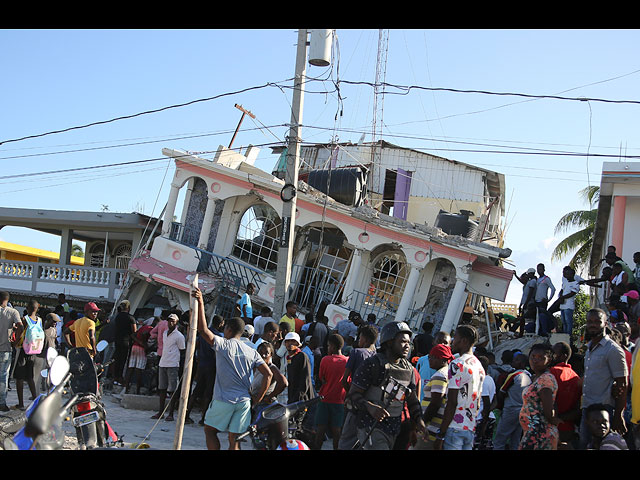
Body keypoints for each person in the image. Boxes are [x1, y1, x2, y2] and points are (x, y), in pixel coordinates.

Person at [193, 288, 272, 450]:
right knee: (234, 440)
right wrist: (257, 399)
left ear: (228, 329)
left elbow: (203, 330)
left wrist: (200, 303)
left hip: (224, 399)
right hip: (243, 402)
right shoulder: (251, 351)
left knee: (209, 431)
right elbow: (269, 374)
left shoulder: (224, 344)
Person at [347, 321, 425, 450]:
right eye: (403, 342)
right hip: (370, 426)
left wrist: (419, 421)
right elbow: (352, 395)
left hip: (395, 429)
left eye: (409, 343)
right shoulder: (372, 364)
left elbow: (412, 400)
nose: (407, 346)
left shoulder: (409, 369)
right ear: (389, 342)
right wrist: (370, 407)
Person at [579, 308, 628, 449]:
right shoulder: (589, 348)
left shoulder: (613, 349)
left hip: (604, 412)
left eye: (597, 321)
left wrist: (619, 415)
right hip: (587, 408)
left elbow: (622, 384)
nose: (592, 325)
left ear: (605, 324)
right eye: (589, 321)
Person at [434, 325, 485, 451]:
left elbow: (452, 402)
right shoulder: (479, 367)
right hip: (469, 428)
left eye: (455, 337)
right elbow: (477, 402)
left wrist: (441, 435)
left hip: (454, 428)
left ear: (464, 341)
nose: (452, 341)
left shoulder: (457, 364)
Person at [338, 324, 379, 450]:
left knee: (345, 440)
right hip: (371, 406)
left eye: (360, 337)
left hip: (354, 403)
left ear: (365, 339)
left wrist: (350, 394)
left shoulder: (356, 352)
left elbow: (344, 379)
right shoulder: (379, 357)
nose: (358, 340)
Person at [416, 343, 454, 450]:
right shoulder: (449, 373)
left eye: (432, 357)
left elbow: (435, 403)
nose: (429, 360)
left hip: (430, 429)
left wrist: (422, 422)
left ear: (442, 359)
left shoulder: (440, 375)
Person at [314, 333, 348, 450]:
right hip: (339, 401)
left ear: (332, 346)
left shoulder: (325, 360)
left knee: (320, 431)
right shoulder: (347, 361)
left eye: (328, 346)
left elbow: (322, 379)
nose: (328, 348)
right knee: (337, 432)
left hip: (325, 399)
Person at [492, 352, 531, 450]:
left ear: (522, 364)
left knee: (500, 439)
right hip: (523, 410)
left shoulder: (514, 375)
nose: (514, 361)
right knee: (516, 439)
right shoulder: (529, 376)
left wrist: (500, 406)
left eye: (517, 360)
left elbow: (502, 392)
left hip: (510, 410)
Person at [151, 313, 185, 422]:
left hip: (173, 364)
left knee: (172, 390)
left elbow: (182, 350)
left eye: (173, 321)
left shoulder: (179, 336)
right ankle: (161, 412)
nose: (170, 323)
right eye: (169, 320)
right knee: (162, 389)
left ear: (176, 323)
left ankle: (170, 413)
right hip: (163, 363)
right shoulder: (165, 333)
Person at [549, 341, 582, 448]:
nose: (551, 356)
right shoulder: (576, 377)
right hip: (568, 428)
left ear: (564, 356)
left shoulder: (552, 372)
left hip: (552, 428)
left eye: (554, 353)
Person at [13, 300, 42, 410]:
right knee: (30, 377)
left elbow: (20, 331)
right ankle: (36, 401)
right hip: (34, 350)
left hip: (24, 350)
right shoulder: (39, 320)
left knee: (19, 377)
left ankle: (20, 403)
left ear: (28, 308)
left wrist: (15, 343)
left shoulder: (25, 319)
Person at [250, 341, 288, 419]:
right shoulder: (256, 366)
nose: (263, 355)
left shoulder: (271, 368)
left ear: (271, 355)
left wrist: (269, 396)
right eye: (260, 352)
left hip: (265, 404)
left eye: (266, 353)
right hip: (255, 401)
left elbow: (283, 383)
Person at [0, 292, 21, 412]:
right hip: (6, 349)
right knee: (3, 377)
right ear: (7, 300)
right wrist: (15, 341)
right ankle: (2, 403)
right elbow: (20, 326)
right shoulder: (13, 312)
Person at [415, 331, 451, 402]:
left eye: (445, 343)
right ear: (433, 342)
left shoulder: (451, 366)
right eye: (439, 341)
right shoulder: (422, 360)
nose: (441, 344)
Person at [283, 332, 315, 403]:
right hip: (292, 398)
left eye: (293, 341)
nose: (290, 343)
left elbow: (305, 379)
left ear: (297, 344)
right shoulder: (289, 358)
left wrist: (299, 398)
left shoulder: (302, 356)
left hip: (303, 399)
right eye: (287, 341)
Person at [124, 318, 152, 395]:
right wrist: (143, 344)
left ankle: (126, 389)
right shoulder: (150, 329)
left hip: (134, 347)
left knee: (131, 368)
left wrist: (138, 341)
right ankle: (137, 391)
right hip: (141, 349)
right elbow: (144, 334)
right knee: (139, 370)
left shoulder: (142, 327)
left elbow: (133, 335)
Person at [112, 300, 137, 385]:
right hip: (126, 342)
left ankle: (115, 378)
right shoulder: (131, 317)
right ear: (128, 308)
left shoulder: (117, 316)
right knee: (124, 360)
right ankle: (120, 379)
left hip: (117, 340)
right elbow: (134, 331)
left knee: (117, 359)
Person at [475, 355, 497, 449]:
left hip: (481, 419)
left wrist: (484, 419)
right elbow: (495, 401)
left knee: (477, 445)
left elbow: (486, 402)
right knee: (486, 445)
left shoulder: (482, 381)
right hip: (489, 417)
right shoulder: (490, 379)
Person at [558, 266, 581, 341]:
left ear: (572, 275)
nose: (566, 276)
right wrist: (560, 296)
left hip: (569, 306)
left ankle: (568, 337)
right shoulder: (566, 282)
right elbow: (561, 290)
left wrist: (563, 297)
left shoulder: (575, 284)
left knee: (568, 322)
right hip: (563, 305)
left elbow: (572, 293)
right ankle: (564, 336)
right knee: (564, 322)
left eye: (568, 274)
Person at [534, 263, 556, 336]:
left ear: (543, 269)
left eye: (540, 269)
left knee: (542, 316)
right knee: (537, 317)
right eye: (538, 269)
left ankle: (545, 331)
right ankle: (538, 332)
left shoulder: (546, 279)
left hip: (542, 302)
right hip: (536, 301)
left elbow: (553, 289)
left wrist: (548, 299)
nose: (539, 271)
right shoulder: (537, 279)